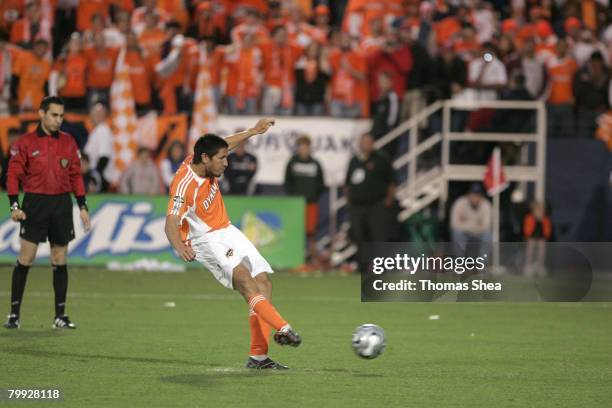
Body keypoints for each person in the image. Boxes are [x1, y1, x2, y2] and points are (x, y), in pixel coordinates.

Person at [164, 118, 301, 370]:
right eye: (222, 159)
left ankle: (258, 357)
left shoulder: (202, 159)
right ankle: (283, 327)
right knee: (246, 282)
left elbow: (225, 143)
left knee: (263, 281)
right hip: (206, 239)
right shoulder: (184, 185)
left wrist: (253, 132)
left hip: (227, 229)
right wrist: (178, 246)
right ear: (205, 158)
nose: (226, 163)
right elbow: (170, 221)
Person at [4, 96, 91, 330]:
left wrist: (82, 206)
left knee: (59, 258)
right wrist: (14, 205)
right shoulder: (25, 142)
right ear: (41, 114)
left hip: (61, 205)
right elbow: (12, 174)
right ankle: (14, 314)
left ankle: (60, 316)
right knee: (27, 258)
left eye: (61, 115)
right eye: (54, 115)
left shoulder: (68, 142)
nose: (58, 120)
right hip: (35, 204)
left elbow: (75, 175)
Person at [344, 133, 396, 273]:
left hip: (376, 205)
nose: (366, 145)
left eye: (368, 142)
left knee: (379, 238)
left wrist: (388, 201)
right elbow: (348, 183)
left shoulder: (381, 159)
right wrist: (349, 201)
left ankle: (381, 269)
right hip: (357, 206)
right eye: (363, 142)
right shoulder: (355, 160)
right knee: (359, 237)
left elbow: (391, 182)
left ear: (373, 143)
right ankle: (362, 268)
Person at [284, 135, 325, 267]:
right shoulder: (292, 162)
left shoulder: (315, 164)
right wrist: (294, 197)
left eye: (306, 147)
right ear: (298, 148)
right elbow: (287, 181)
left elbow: (321, 183)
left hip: (311, 203)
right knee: (296, 232)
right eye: (301, 147)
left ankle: (313, 260)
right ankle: (295, 260)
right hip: (296, 205)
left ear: (309, 148)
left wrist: (313, 195)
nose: (304, 149)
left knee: (311, 233)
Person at [450, 183, 492, 258]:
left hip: (479, 234)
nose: (475, 197)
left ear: (481, 196)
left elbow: (486, 226)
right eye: (473, 194)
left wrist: (465, 223)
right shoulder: (460, 203)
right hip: (464, 233)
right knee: (457, 233)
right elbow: (454, 224)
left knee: (488, 236)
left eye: (477, 195)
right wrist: (475, 225)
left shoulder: (486, 205)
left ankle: (481, 265)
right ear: (468, 195)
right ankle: (459, 264)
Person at [523, 201, 552, 277]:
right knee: (531, 245)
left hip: (541, 239)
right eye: (537, 210)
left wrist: (541, 221)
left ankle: (540, 266)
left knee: (542, 246)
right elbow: (527, 232)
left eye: (541, 210)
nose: (539, 212)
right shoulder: (529, 218)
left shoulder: (545, 219)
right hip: (531, 238)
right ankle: (528, 266)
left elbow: (547, 233)